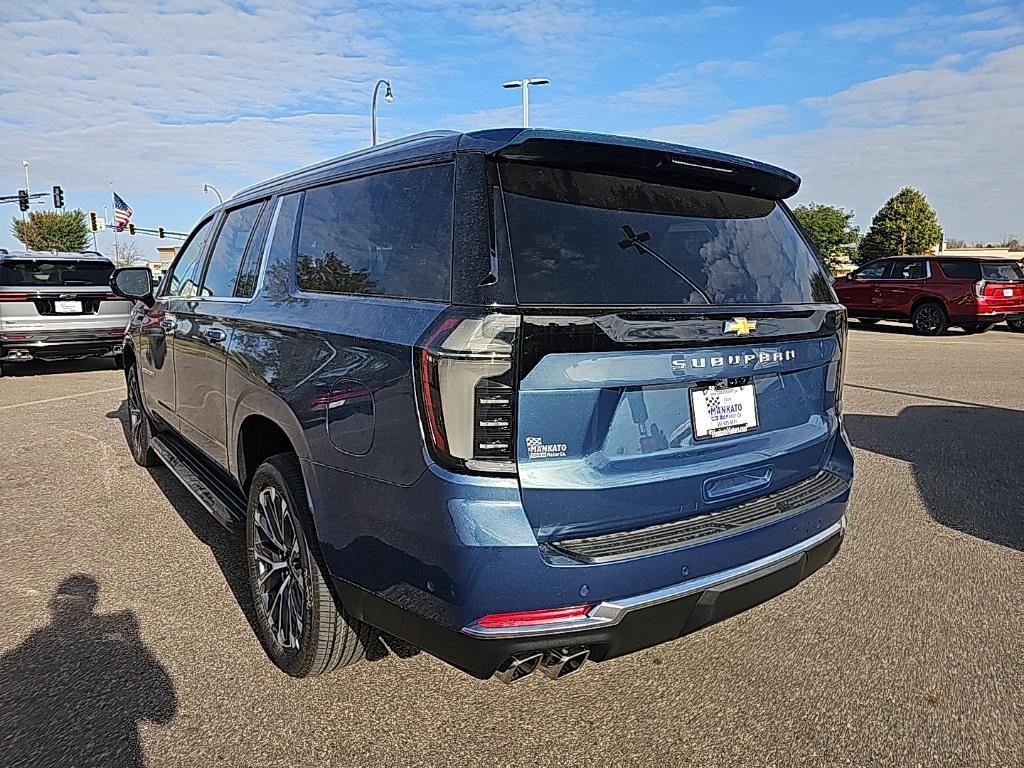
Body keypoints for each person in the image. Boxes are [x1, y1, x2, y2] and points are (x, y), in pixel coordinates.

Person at [0, 574, 177, 767]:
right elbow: (162, 709)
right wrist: (135, 647)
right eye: (67, 605)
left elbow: (162, 708)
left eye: (71, 607)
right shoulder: (115, 653)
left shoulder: (30, 655)